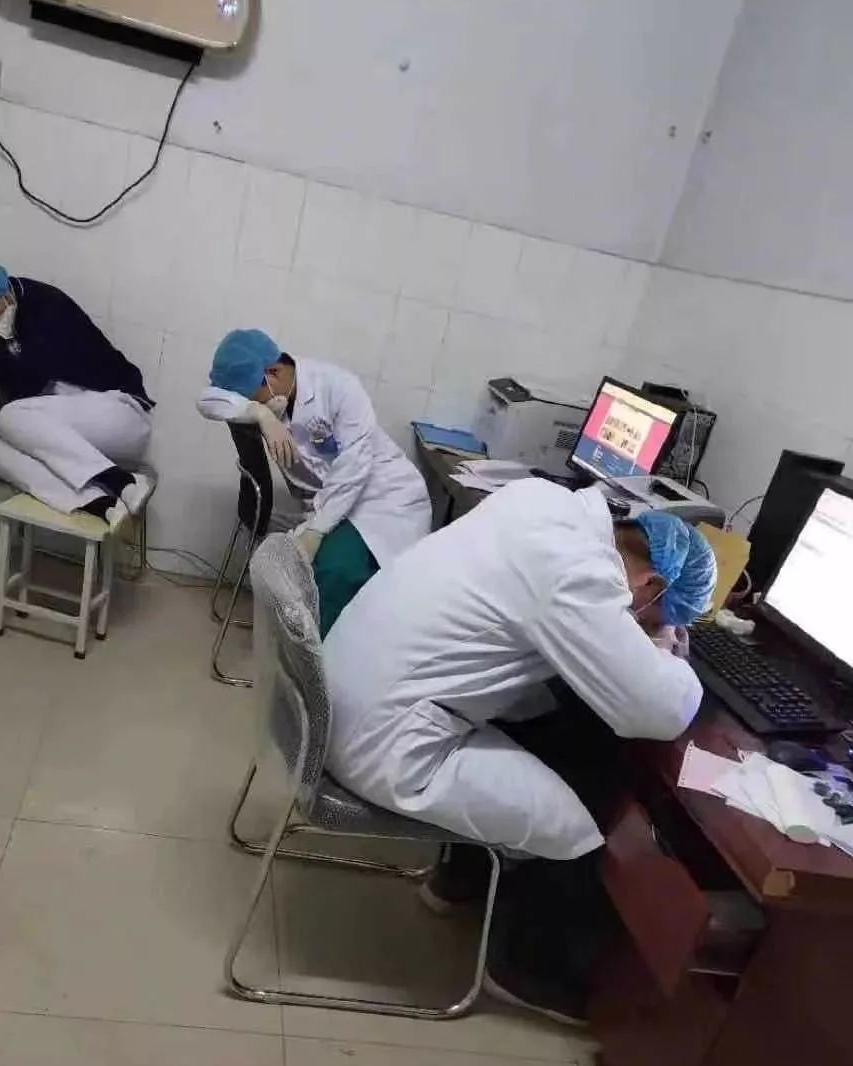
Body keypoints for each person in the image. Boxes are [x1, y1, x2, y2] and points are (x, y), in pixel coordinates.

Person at [323, 477, 717, 1022]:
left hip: (348, 691)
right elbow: (655, 711)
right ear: (649, 585)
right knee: (580, 822)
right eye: (652, 618)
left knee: (549, 723)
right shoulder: (577, 575)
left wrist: (644, 638)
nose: (644, 625)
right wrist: (668, 653)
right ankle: (526, 971)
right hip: (384, 741)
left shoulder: (541, 501)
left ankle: (458, 881)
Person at [196, 329, 431, 634]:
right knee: (306, 575)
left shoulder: (338, 387)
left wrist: (316, 531)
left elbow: (353, 469)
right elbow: (207, 401)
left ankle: (322, 658)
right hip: (332, 503)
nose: (254, 403)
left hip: (385, 501)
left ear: (273, 373)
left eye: (254, 397)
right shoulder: (269, 401)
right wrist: (260, 413)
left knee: (335, 571)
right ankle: (306, 649)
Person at [0, 260, 154, 528]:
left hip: (120, 413)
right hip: (66, 426)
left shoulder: (46, 306)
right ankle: (106, 505)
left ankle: (120, 481)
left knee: (10, 416)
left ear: (0, 293)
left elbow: (27, 386)